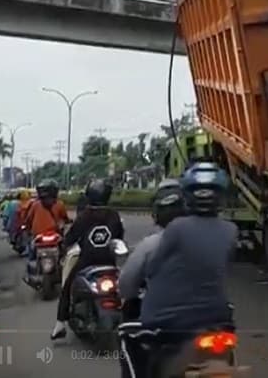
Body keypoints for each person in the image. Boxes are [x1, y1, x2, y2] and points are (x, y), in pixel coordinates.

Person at [120, 161, 237, 376]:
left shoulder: (175, 230)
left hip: (168, 322)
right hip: (218, 319)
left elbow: (153, 269)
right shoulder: (231, 230)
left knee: (128, 339)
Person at [117, 179, 186, 378]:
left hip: (164, 322)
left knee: (127, 337)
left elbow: (126, 285)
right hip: (209, 319)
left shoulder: (150, 245)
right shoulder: (207, 240)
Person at [51, 178, 124, 340]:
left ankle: (60, 323)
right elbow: (120, 237)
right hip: (109, 262)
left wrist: (63, 247)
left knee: (67, 286)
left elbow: (70, 238)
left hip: (87, 262)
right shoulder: (114, 215)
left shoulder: (85, 216)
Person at [24, 179, 69, 263]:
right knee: (64, 254)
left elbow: (28, 219)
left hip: (38, 237)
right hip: (55, 236)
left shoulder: (35, 204)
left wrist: (27, 228)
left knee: (31, 255)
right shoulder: (59, 204)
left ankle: (30, 273)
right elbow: (65, 218)